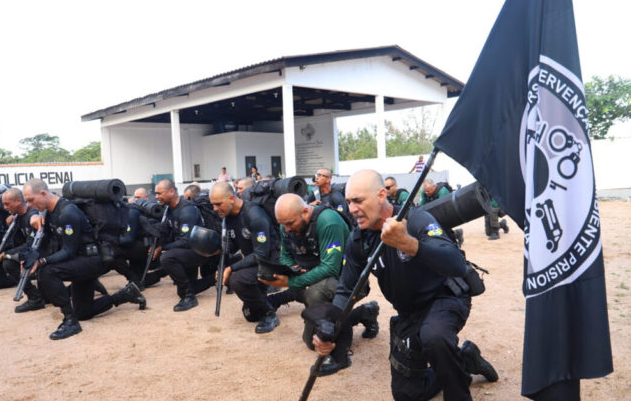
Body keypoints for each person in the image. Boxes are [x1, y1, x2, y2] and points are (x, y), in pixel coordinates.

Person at [312, 170, 497, 400]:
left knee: (435, 337)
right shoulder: (358, 240)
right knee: (407, 395)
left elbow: (456, 264)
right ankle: (463, 360)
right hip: (409, 314)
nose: (351, 209)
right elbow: (346, 289)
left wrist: (410, 245)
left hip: (444, 298)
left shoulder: (415, 219)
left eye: (358, 200)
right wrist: (331, 327)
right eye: (348, 201)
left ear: (381, 195)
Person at [23, 178, 145, 340]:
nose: (30, 205)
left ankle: (70, 321)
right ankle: (126, 294)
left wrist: (42, 262)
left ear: (44, 193)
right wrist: (31, 257)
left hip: (92, 260)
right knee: (84, 312)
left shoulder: (67, 213)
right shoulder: (49, 212)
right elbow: (45, 242)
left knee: (48, 272)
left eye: (31, 200)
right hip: (80, 261)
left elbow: (68, 251)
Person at [260, 194, 349, 349]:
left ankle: (343, 334)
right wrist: (293, 270)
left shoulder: (328, 221)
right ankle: (362, 313)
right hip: (317, 275)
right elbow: (285, 256)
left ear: (306, 212)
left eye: (290, 223)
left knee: (314, 293)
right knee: (310, 342)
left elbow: (331, 268)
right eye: (282, 224)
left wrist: (292, 281)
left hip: (345, 280)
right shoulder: (286, 224)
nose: (286, 229)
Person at [210, 182, 281, 333]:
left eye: (218, 204)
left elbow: (262, 254)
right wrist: (217, 250)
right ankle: (267, 301)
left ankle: (269, 314)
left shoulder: (254, 215)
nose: (215, 209)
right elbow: (235, 245)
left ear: (231, 198)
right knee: (250, 315)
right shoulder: (228, 216)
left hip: (270, 261)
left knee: (236, 279)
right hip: (254, 260)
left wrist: (230, 268)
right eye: (213, 205)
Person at [155, 178, 215, 312]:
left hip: (198, 251)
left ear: (171, 192)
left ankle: (190, 298)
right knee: (185, 288)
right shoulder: (168, 209)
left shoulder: (187, 210)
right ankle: (216, 277)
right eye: (156, 193)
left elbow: (186, 241)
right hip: (186, 251)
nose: (157, 197)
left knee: (166, 258)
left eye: (159, 193)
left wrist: (162, 249)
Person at [0, 188, 44, 313]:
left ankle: (35, 299)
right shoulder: (18, 217)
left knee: (9, 261)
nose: (5, 207)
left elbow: (31, 244)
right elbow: (18, 242)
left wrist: (7, 254)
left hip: (43, 252)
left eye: (7, 204)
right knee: (8, 261)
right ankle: (35, 297)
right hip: (32, 251)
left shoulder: (31, 215)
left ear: (18, 201)